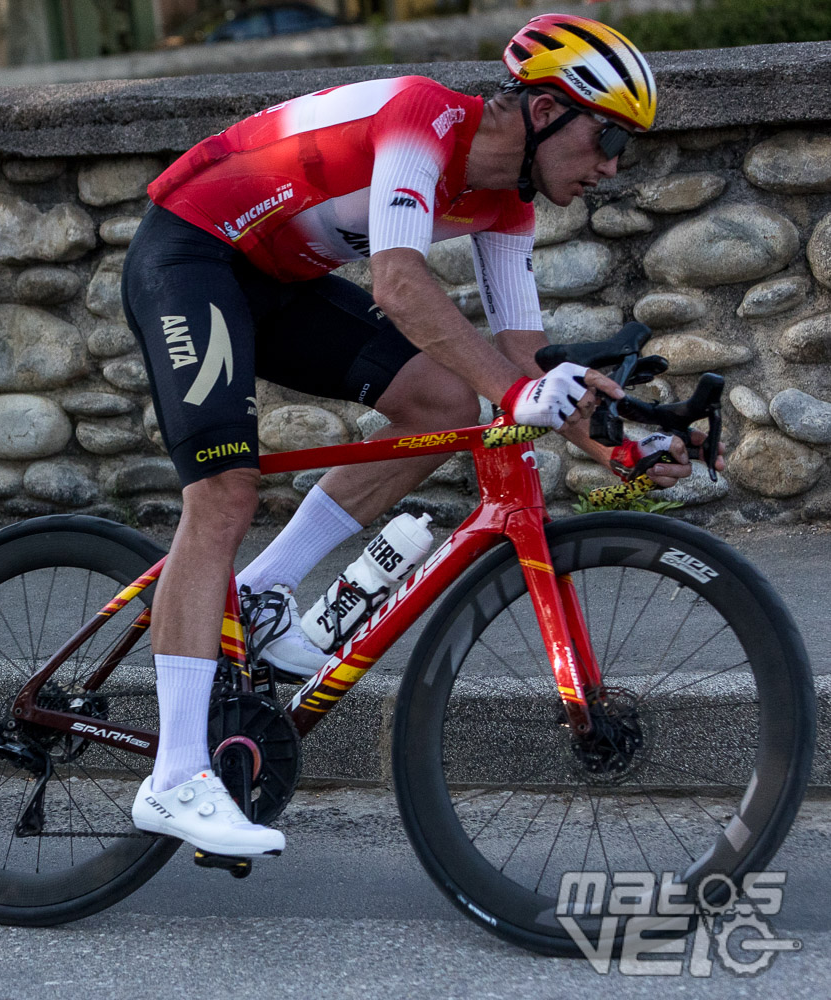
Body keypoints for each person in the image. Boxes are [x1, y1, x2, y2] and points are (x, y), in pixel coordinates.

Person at [122, 15, 712, 857]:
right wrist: (518, 389)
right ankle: (175, 775)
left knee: (443, 404)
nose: (612, 167)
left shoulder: (507, 207)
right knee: (224, 491)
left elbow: (519, 360)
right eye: (607, 137)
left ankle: (261, 593)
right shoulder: (423, 118)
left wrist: (620, 444)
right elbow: (399, 284)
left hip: (281, 278)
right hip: (191, 250)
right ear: (544, 109)